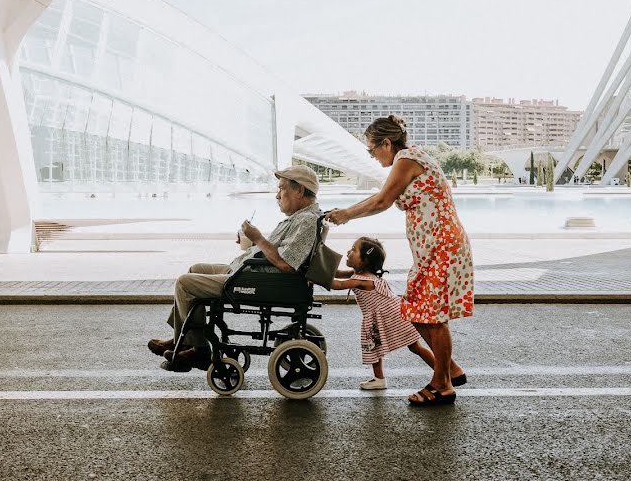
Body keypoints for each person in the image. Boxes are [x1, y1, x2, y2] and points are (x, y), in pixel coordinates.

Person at [327, 115, 472, 406]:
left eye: (372, 149)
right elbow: (383, 196)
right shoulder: (407, 159)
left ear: (387, 143)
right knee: (415, 310)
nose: (371, 155)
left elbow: (382, 200)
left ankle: (442, 384)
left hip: (442, 247)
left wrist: (346, 214)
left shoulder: (407, 159)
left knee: (433, 317)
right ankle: (449, 368)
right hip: (431, 250)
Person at [148, 165, 322, 372]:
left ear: (300, 191)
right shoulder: (301, 218)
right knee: (195, 269)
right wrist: (251, 244)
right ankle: (183, 339)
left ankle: (199, 350)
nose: (277, 195)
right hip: (250, 273)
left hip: (256, 281)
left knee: (185, 283)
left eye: (281, 189)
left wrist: (258, 237)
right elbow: (278, 253)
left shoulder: (307, 221)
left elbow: (286, 264)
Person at [333, 236, 455, 391]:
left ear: (364, 261)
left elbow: (338, 284)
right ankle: (442, 372)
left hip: (391, 316)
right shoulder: (358, 274)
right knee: (392, 347)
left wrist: (314, 278)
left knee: (405, 347)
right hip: (393, 313)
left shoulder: (362, 280)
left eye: (354, 250)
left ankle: (443, 372)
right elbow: (336, 273)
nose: (349, 252)